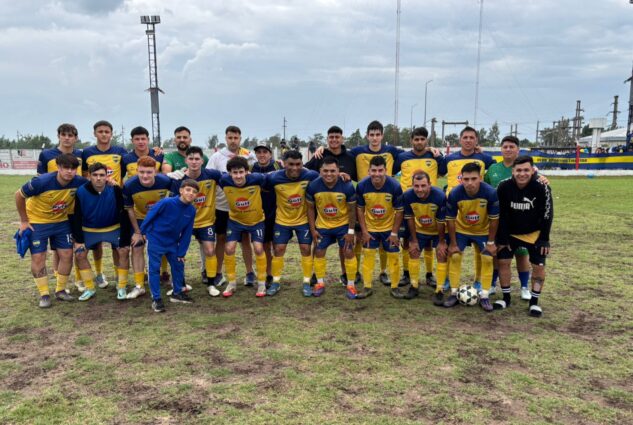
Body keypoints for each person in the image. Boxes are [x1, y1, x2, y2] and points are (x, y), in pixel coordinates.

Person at [15, 154, 87, 308]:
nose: (69, 171)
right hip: (38, 223)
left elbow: (94, 186)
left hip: (62, 222)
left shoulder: (80, 182)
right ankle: (44, 294)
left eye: (73, 169)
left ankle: (60, 290)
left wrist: (110, 182)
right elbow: (19, 195)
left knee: (67, 255)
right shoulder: (41, 182)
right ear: (58, 168)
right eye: (66, 168)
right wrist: (24, 221)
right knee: (39, 257)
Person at [495, 155, 553, 317]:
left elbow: (547, 214)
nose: (522, 174)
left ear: (532, 170)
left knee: (539, 266)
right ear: (513, 171)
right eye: (518, 170)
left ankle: (534, 302)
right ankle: (506, 298)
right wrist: (503, 238)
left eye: (526, 170)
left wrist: (544, 239)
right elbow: (501, 214)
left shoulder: (542, 186)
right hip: (511, 234)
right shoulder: (503, 186)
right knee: (503, 262)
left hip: (534, 234)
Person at [444, 126, 496, 292]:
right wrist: (433, 151)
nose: (468, 140)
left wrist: (536, 172)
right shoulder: (449, 159)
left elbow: (504, 167)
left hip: (479, 212)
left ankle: (479, 281)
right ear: (460, 140)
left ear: (476, 140)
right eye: (465, 137)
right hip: (456, 209)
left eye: (471, 137)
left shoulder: (484, 158)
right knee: (452, 250)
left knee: (481, 252)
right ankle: (448, 279)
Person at [69, 162, 131, 301]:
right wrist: (78, 240)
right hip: (89, 229)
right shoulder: (81, 191)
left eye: (102, 175)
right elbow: (77, 216)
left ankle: (121, 286)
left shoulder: (115, 189)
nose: (98, 178)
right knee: (79, 254)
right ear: (89, 176)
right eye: (95, 175)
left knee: (124, 251)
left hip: (113, 228)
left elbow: (123, 213)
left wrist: (125, 237)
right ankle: (89, 288)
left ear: (107, 176)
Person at [394, 126, 446, 288]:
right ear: (411, 141)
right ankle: (406, 273)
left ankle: (429, 274)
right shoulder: (402, 157)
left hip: (430, 204)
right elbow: (391, 170)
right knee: (407, 240)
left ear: (427, 141)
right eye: (416, 139)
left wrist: (439, 155)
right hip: (408, 203)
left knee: (428, 240)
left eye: (422, 139)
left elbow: (444, 171)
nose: (419, 142)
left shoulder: (434, 156)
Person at [206, 126, 258, 288]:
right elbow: (207, 176)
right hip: (222, 206)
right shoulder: (217, 157)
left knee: (245, 239)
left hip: (242, 207)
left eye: (236, 138)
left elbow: (255, 174)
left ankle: (250, 272)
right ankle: (218, 273)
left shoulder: (248, 156)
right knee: (221, 239)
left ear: (240, 139)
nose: (233, 141)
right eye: (230, 138)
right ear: (226, 138)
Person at [444, 162, 499, 312]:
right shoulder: (455, 193)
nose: (469, 183)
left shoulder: (490, 193)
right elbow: (450, 219)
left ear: (480, 178)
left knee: (487, 257)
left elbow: (494, 219)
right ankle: (454, 293)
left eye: (473, 179)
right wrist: (453, 243)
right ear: (461, 179)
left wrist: (491, 242)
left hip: (483, 230)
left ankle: (485, 295)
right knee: (455, 255)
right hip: (462, 229)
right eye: (466, 179)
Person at [37, 123, 84, 291]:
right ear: (58, 136)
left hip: (75, 206)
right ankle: (59, 281)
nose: (67, 138)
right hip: (55, 209)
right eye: (64, 134)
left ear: (76, 138)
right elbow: (41, 180)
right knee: (57, 249)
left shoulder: (81, 154)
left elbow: (86, 177)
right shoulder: (46, 154)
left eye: (70, 135)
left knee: (77, 245)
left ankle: (79, 280)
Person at [139, 179, 199, 312]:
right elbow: (151, 215)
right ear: (181, 190)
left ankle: (177, 293)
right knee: (154, 269)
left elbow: (187, 232)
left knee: (178, 264)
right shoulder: (166, 202)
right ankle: (156, 299)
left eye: (194, 192)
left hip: (173, 242)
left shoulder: (191, 210)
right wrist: (143, 231)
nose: (191, 193)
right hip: (156, 240)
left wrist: (182, 252)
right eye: (188, 190)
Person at [171, 146, 223, 297]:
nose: (194, 162)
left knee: (210, 250)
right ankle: (180, 283)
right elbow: (174, 202)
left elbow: (230, 179)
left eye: (197, 159)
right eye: (191, 159)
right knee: (179, 253)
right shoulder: (179, 179)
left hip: (206, 221)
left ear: (202, 161)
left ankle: (211, 283)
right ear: (186, 160)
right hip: (185, 222)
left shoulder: (212, 175)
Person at [81, 120, 128, 288]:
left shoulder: (120, 152)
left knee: (117, 244)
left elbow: (126, 170)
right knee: (96, 243)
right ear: (95, 133)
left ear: (111, 134)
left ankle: (117, 275)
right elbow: (84, 175)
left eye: (107, 131)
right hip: (93, 200)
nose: (103, 134)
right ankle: (99, 274)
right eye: (100, 131)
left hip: (114, 200)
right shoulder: (87, 152)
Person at [265, 150, 319, 296]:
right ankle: (276, 282)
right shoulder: (274, 177)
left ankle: (306, 282)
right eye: (291, 164)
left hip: (303, 220)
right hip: (282, 220)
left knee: (305, 249)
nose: (295, 168)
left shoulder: (310, 175)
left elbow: (328, 177)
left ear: (302, 164)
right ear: (284, 164)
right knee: (279, 249)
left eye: (298, 164)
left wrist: (341, 175)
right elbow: (256, 179)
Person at [484, 135, 531, 300]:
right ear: (501, 149)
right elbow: (486, 189)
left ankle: (524, 287)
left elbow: (537, 183)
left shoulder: (524, 168)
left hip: (521, 218)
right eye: (505, 147)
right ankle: (492, 284)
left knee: (521, 253)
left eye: (512, 147)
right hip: (498, 219)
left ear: (518, 150)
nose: (508, 149)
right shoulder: (493, 169)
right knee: (497, 252)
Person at [122, 156, 174, 299]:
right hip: (140, 219)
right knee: (137, 246)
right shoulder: (129, 185)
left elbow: (175, 201)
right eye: (142, 172)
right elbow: (129, 209)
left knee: (165, 245)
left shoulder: (165, 181)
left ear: (155, 172)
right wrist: (137, 232)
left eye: (149, 172)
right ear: (137, 171)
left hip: (160, 219)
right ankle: (139, 285)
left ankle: (166, 275)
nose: (145, 176)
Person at [306, 157, 358, 298]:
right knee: (318, 251)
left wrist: (351, 231)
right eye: (326, 171)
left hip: (342, 226)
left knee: (348, 251)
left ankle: (351, 285)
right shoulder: (313, 186)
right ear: (320, 171)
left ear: (338, 171)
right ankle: (320, 283)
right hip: (323, 226)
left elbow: (352, 210)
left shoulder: (347, 185)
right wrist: (313, 230)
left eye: (332, 171)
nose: (329, 174)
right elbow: (310, 209)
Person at [219, 156, 268, 298]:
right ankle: (232, 283)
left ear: (247, 172)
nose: (238, 176)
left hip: (256, 221)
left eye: (241, 172)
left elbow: (273, 176)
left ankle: (262, 283)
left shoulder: (257, 179)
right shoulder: (224, 180)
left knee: (258, 248)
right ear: (229, 173)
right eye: (235, 173)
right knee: (229, 248)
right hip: (235, 221)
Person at [356, 156, 404, 299]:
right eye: (374, 170)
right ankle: (367, 286)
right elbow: (359, 209)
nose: (377, 174)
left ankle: (395, 287)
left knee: (394, 255)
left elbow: (399, 211)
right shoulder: (362, 185)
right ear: (368, 171)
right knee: (368, 253)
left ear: (386, 171)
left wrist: (394, 233)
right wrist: (364, 231)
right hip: (370, 227)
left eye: (380, 170)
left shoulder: (394, 186)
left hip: (389, 227)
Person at [402, 171, 448, 304]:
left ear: (430, 184)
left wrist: (441, 242)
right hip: (420, 229)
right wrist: (414, 240)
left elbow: (441, 222)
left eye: (423, 185)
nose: (419, 189)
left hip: (437, 230)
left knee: (441, 254)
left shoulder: (439, 196)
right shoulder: (408, 196)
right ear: (412, 185)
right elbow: (410, 218)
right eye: (416, 186)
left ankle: (439, 290)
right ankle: (414, 285)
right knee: (413, 251)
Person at [251, 143, 283, 287]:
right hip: (259, 211)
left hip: (276, 210)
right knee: (264, 245)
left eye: (265, 152)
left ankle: (276, 275)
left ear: (270, 154)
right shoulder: (252, 168)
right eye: (259, 152)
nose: (262, 155)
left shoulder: (278, 165)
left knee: (277, 245)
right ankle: (268, 274)